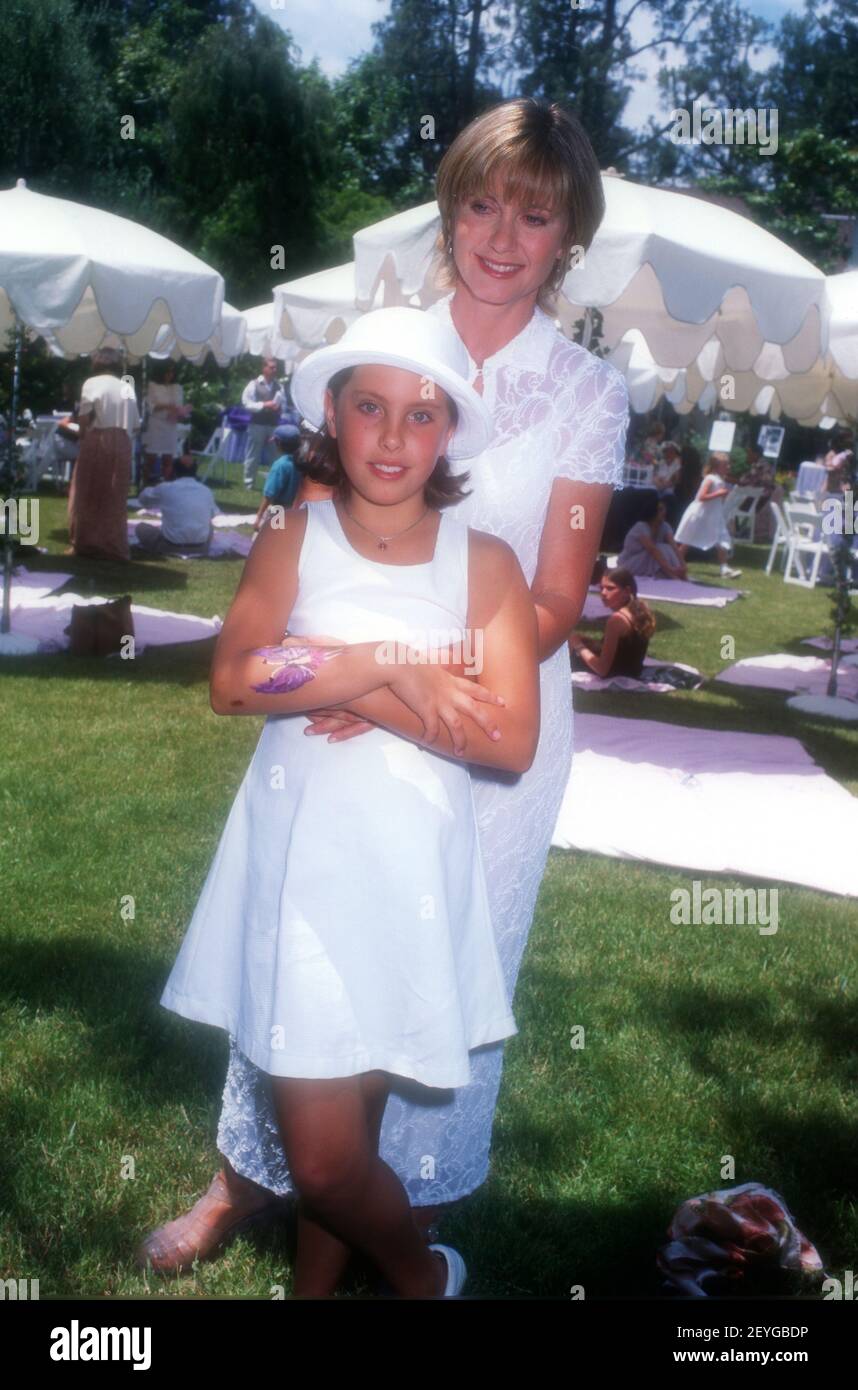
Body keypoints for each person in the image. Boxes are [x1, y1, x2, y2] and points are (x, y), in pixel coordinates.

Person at [139, 96, 629, 1282]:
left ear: (567, 236)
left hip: (487, 716)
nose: (502, 235)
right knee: (303, 939)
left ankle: (387, 1217)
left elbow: (557, 597)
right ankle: (248, 1179)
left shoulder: (586, 393)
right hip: (329, 700)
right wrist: (343, 669)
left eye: (534, 214)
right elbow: (310, 513)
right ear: (451, 209)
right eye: (480, 203)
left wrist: (416, 689)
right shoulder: (386, 340)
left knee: (422, 961)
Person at [152, 305, 540, 1297]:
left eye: (421, 415)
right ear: (333, 410)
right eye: (371, 407)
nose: (395, 436)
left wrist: (354, 685)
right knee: (323, 1152)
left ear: (450, 428)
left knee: (351, 1115)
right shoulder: (294, 531)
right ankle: (422, 1274)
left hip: (406, 862)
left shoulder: (484, 563)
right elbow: (238, 676)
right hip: (302, 862)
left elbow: (506, 735)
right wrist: (389, 666)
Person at [66, 347, 140, 562]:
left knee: (86, 492)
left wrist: (82, 435)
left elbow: (84, 417)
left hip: (99, 438)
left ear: (97, 363)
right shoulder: (127, 385)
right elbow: (135, 424)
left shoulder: (91, 383)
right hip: (123, 441)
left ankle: (84, 542)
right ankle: (112, 544)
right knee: (115, 495)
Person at [568, 567, 655, 678]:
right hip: (632, 671)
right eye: (601, 588)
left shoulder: (617, 620)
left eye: (610, 588)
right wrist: (587, 641)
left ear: (627, 591)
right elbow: (624, 649)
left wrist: (578, 645)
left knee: (565, 647)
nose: (603, 593)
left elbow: (602, 670)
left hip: (615, 674)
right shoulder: (639, 611)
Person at [132, 450, 220, 555]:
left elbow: (143, 500)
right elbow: (213, 514)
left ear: (173, 471)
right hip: (201, 547)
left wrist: (156, 485)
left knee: (140, 527)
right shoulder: (206, 490)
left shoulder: (166, 488)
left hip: (170, 546)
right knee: (208, 525)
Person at [674, 453, 741, 578]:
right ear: (716, 467)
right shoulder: (710, 478)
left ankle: (724, 568)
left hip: (713, 516)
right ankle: (675, 564)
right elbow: (701, 497)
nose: (728, 467)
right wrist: (718, 494)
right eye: (725, 465)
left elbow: (717, 500)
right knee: (687, 541)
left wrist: (723, 496)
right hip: (700, 515)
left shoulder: (720, 480)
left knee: (722, 539)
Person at [617, 495, 687, 579]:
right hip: (629, 563)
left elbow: (674, 547)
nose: (664, 512)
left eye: (664, 509)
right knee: (660, 548)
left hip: (650, 561)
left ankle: (677, 574)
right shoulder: (640, 527)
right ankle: (673, 574)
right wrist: (670, 568)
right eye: (660, 510)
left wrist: (683, 565)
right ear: (652, 511)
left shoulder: (665, 526)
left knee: (667, 548)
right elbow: (652, 550)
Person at [142, 361, 188, 487]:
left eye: (172, 372)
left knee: (168, 458)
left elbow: (179, 406)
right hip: (156, 424)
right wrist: (167, 406)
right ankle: (145, 485)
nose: (170, 375)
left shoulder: (177, 387)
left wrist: (182, 412)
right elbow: (151, 406)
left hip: (170, 425)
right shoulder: (153, 386)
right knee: (151, 457)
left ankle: (167, 487)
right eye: (167, 372)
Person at [242, 358, 285, 491]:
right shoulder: (253, 384)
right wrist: (264, 405)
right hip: (257, 424)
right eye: (271, 367)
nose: (274, 370)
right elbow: (246, 403)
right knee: (253, 454)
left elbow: (284, 404)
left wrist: (279, 408)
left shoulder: (279, 386)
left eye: (275, 367)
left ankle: (274, 485)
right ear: (264, 368)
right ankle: (249, 483)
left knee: (275, 456)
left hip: (273, 425)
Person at [252, 424, 302, 531]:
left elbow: (270, 494)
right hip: (296, 511)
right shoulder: (302, 463)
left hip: (278, 509)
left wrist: (259, 517)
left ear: (278, 443)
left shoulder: (280, 465)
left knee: (268, 541)